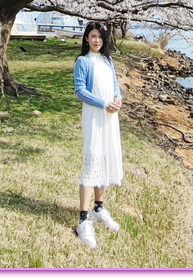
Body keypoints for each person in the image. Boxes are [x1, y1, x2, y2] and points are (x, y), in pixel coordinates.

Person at [73, 21, 123, 249]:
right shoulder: (83, 62)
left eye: (100, 37)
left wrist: (118, 98)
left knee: (105, 156)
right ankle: (83, 219)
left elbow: (115, 85)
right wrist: (104, 103)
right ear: (86, 38)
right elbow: (80, 90)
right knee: (93, 157)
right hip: (95, 115)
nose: (96, 40)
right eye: (93, 36)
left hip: (110, 116)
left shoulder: (107, 60)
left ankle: (99, 208)